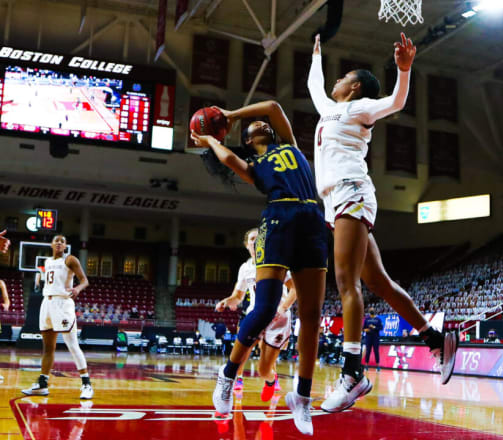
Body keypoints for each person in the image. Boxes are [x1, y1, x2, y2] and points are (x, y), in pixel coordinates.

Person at [308, 32, 457, 413]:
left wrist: (404, 71)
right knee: (379, 282)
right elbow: (314, 85)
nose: (335, 80)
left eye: (342, 76)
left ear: (354, 86)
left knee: (346, 283)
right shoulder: (328, 108)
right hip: (336, 200)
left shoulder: (360, 108)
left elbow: (396, 101)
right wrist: (316, 54)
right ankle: (436, 338)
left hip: (351, 192)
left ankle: (353, 373)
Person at [191, 99, 327, 436]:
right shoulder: (254, 166)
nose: (262, 126)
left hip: (312, 218)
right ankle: (227, 375)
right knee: (265, 307)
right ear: (249, 141)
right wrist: (210, 140)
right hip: (278, 219)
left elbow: (273, 106)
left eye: (261, 125)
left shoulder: (291, 146)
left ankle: (303, 396)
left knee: (312, 316)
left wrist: (231, 115)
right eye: (253, 130)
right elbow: (228, 159)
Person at [216, 227, 298, 401]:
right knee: (241, 352)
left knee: (264, 367)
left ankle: (270, 380)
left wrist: (282, 308)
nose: (256, 241)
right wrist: (226, 301)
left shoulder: (277, 263)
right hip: (255, 313)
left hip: (278, 318)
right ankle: (233, 382)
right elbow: (238, 296)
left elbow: (295, 290)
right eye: (252, 239)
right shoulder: (245, 268)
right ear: (247, 245)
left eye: (259, 238)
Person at [22, 235, 94, 399]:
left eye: (63, 241)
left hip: (62, 304)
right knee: (48, 348)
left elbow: (85, 280)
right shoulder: (47, 262)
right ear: (51, 244)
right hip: (46, 304)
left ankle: (86, 384)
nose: (60, 242)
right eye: (57, 240)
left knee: (72, 345)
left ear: (65, 245)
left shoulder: (70, 260)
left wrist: (77, 289)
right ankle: (42, 383)